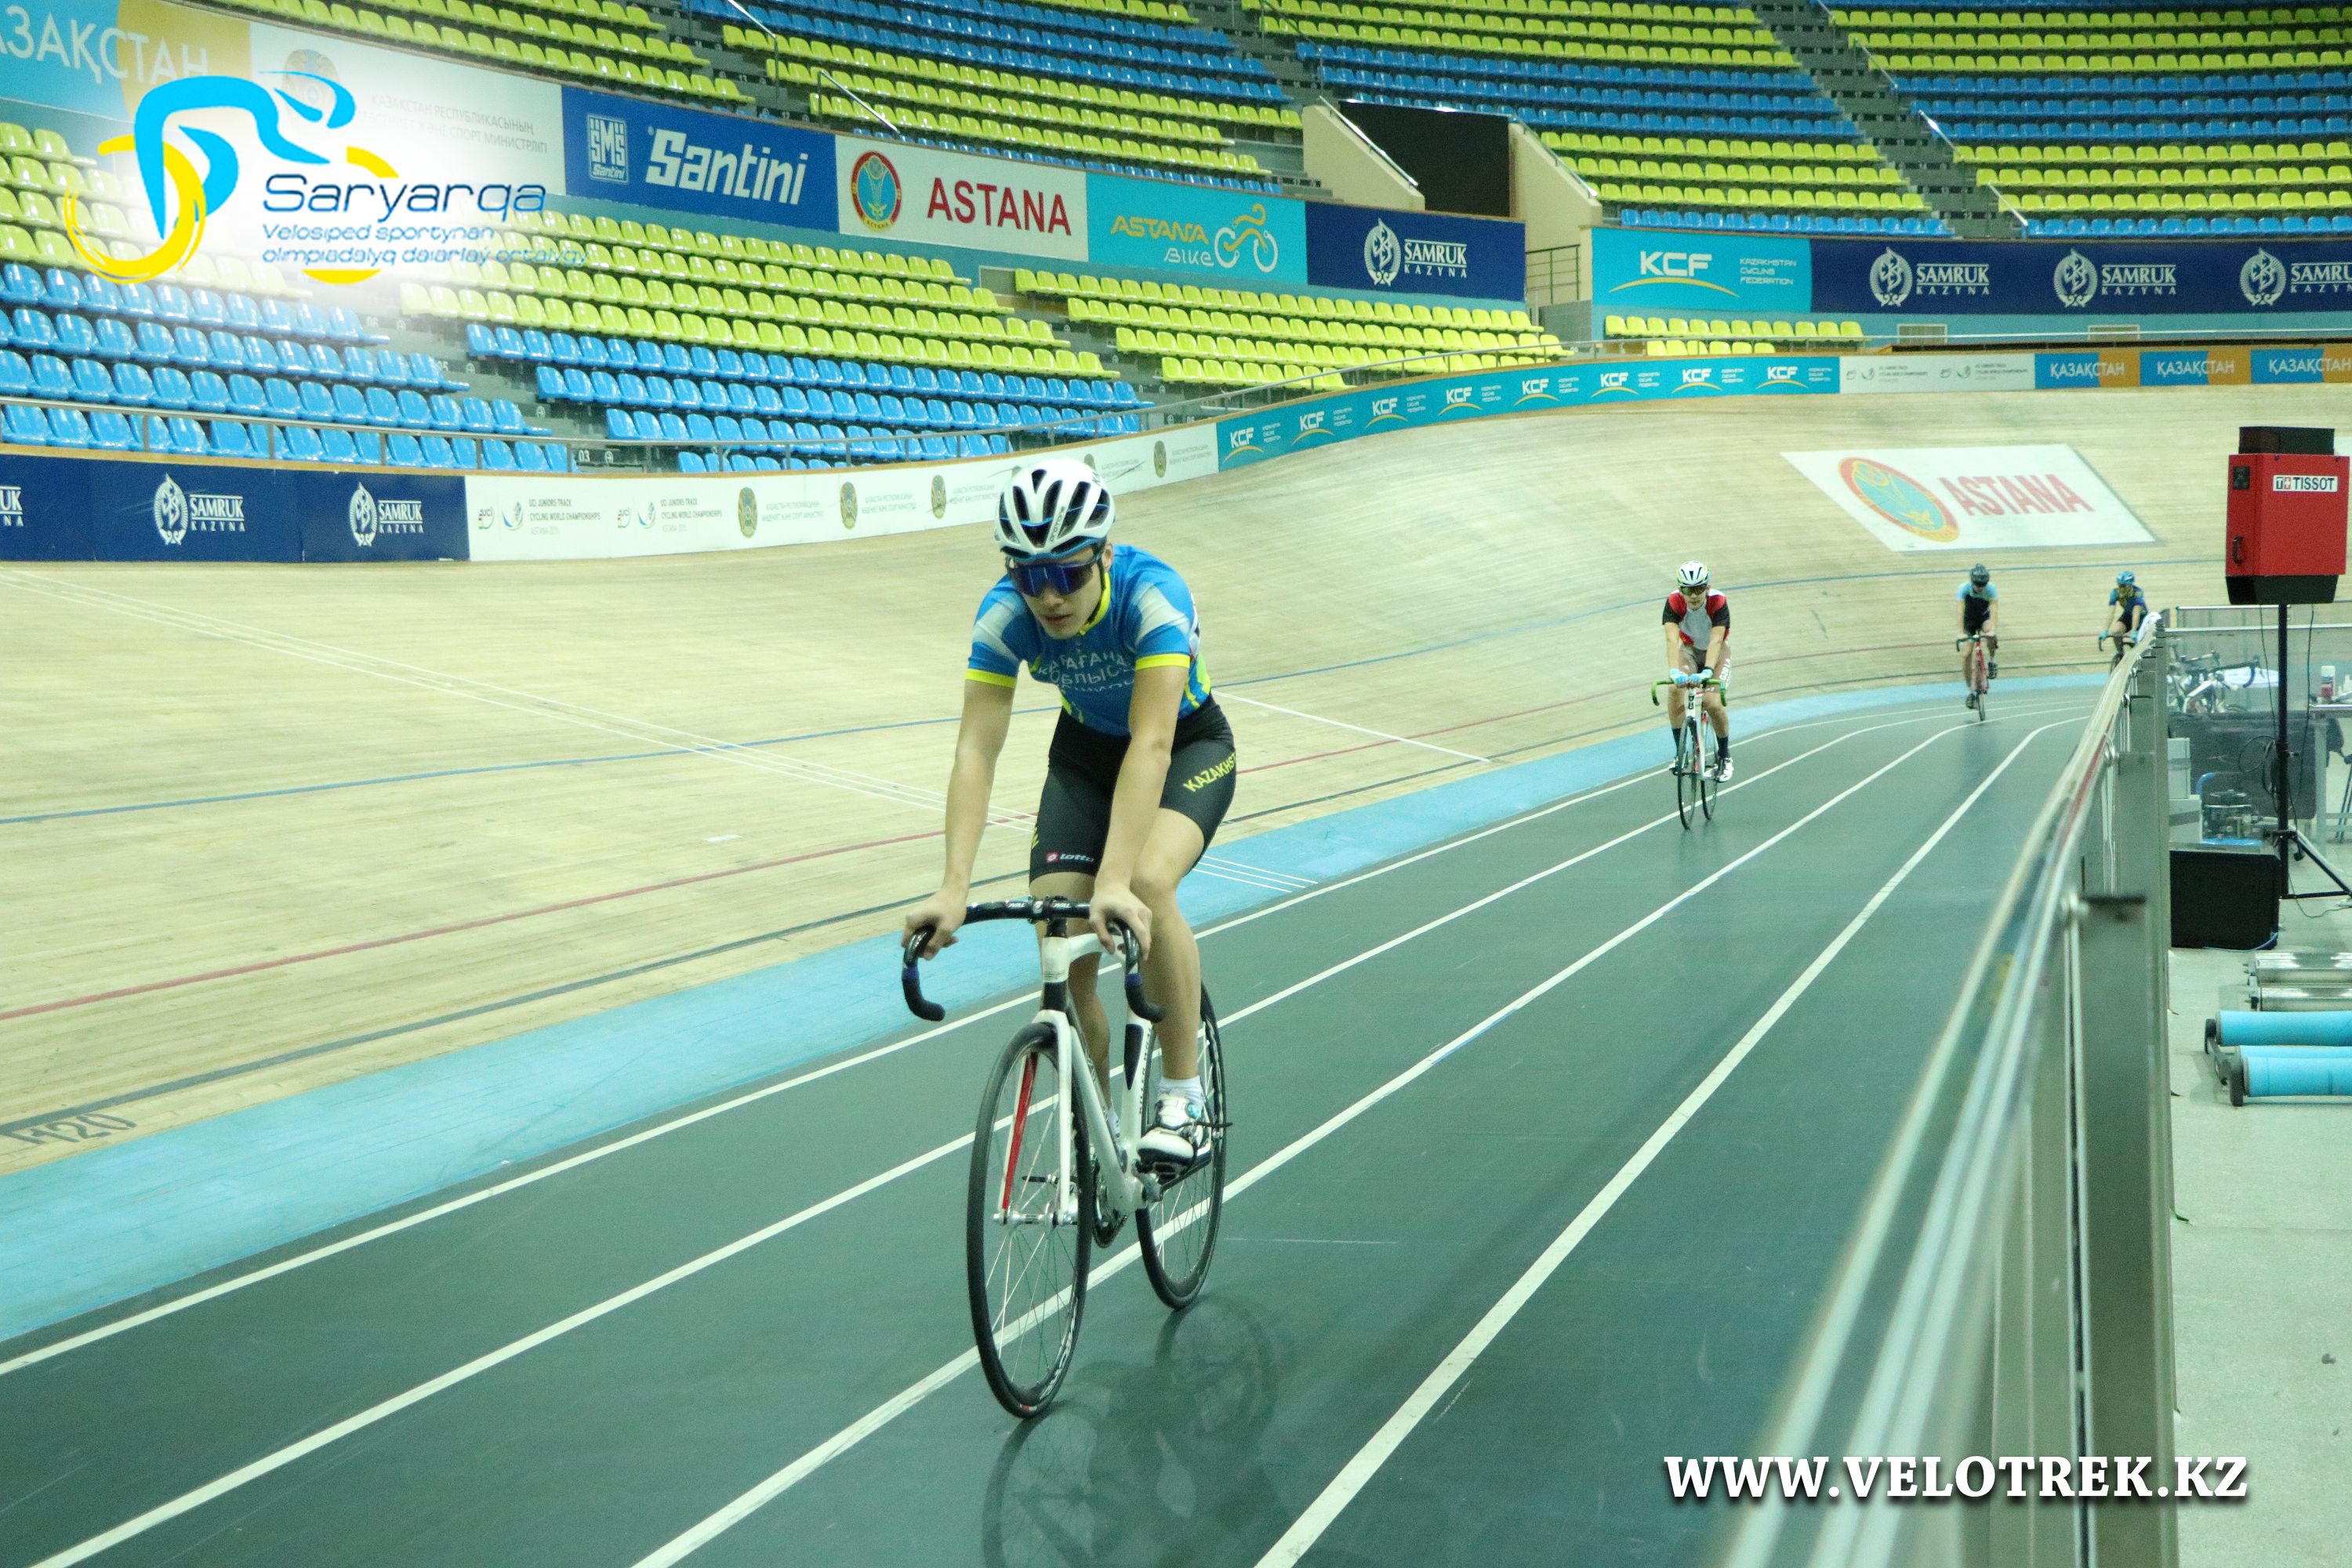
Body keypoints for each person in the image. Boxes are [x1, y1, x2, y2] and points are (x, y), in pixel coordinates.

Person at [905, 458, 1234, 1173]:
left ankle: (1183, 1098)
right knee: (1059, 922)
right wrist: (953, 885)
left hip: (1184, 743)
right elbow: (975, 750)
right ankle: (1100, 1126)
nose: (1048, 596)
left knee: (1146, 884)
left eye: (1068, 573)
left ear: (1105, 555)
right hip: (1083, 755)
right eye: (1029, 576)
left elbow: (1151, 743)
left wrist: (1114, 879)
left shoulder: (1154, 598)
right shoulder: (1004, 616)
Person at [1663, 561, 1732, 779]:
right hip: (1690, 651)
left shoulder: (1718, 601)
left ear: (1707, 588)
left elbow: (1716, 641)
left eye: (1698, 589)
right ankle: (1681, 753)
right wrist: (1675, 671)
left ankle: (1724, 756)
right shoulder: (1674, 601)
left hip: (1717, 653)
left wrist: (1708, 671)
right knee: (1675, 689)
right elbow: (1672, 640)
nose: (1693, 596)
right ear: (1680, 589)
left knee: (1712, 703)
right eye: (1687, 590)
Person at [1957, 561, 1998, 708]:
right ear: (1972, 582)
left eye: (1983, 585)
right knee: (1967, 654)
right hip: (1969, 621)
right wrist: (1960, 632)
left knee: (1990, 633)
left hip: (1983, 618)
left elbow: (1994, 610)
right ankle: (1970, 691)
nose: (1981, 588)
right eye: (1978, 585)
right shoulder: (1963, 589)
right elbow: (1960, 611)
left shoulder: (1992, 589)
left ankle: (1992, 660)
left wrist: (1992, 630)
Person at [2104, 570, 2149, 663]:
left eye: (2124, 586)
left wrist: (2133, 630)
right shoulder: (2115, 593)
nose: (2122, 588)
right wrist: (2105, 630)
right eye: (2120, 585)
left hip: (2141, 619)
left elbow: (2136, 613)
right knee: (2116, 631)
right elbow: (2111, 613)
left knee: (2139, 642)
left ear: (2130, 585)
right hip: (2128, 616)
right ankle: (2121, 655)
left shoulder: (2138, 593)